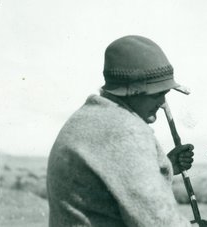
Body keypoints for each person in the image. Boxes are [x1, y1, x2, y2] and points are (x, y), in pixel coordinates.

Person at [47, 35, 198, 226]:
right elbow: (158, 222)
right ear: (133, 91)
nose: (162, 104)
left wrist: (163, 166)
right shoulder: (125, 131)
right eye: (158, 94)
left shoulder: (87, 117)